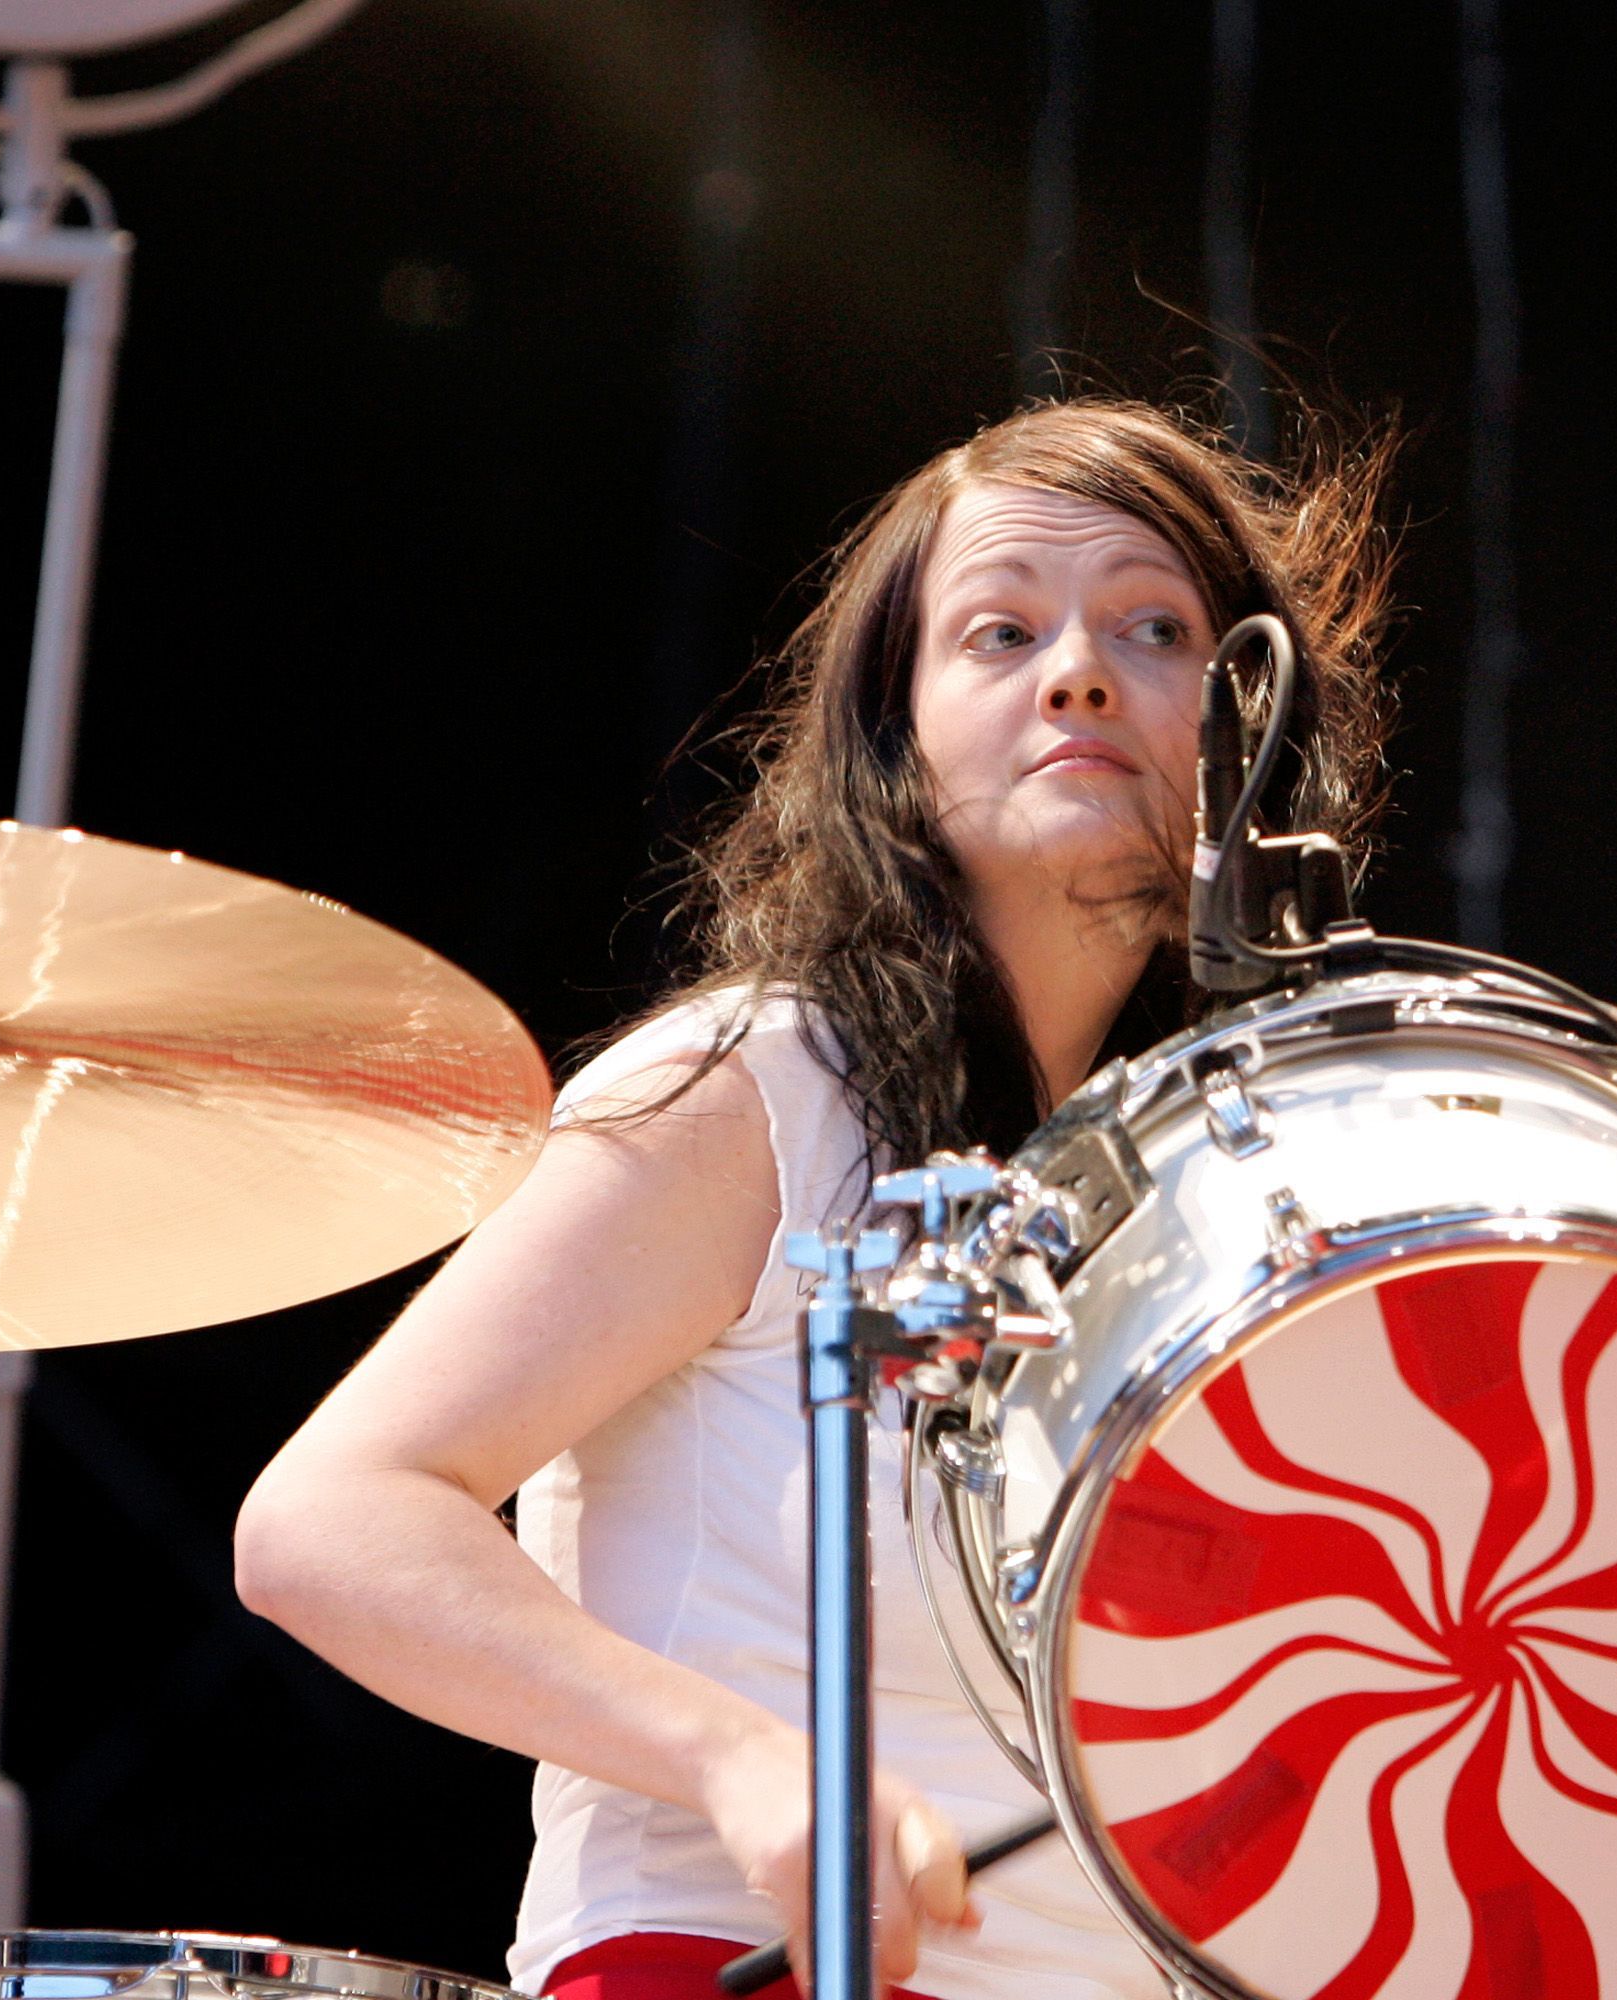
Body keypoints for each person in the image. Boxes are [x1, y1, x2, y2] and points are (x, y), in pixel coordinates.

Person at [234, 397, 1396, 2000]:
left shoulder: (1231, 1187)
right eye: (999, 631)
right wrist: (742, 1762)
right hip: (734, 1960)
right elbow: (328, 1521)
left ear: (1249, 733)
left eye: (1154, 626)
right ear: (893, 738)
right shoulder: (755, 1087)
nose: (1078, 670)